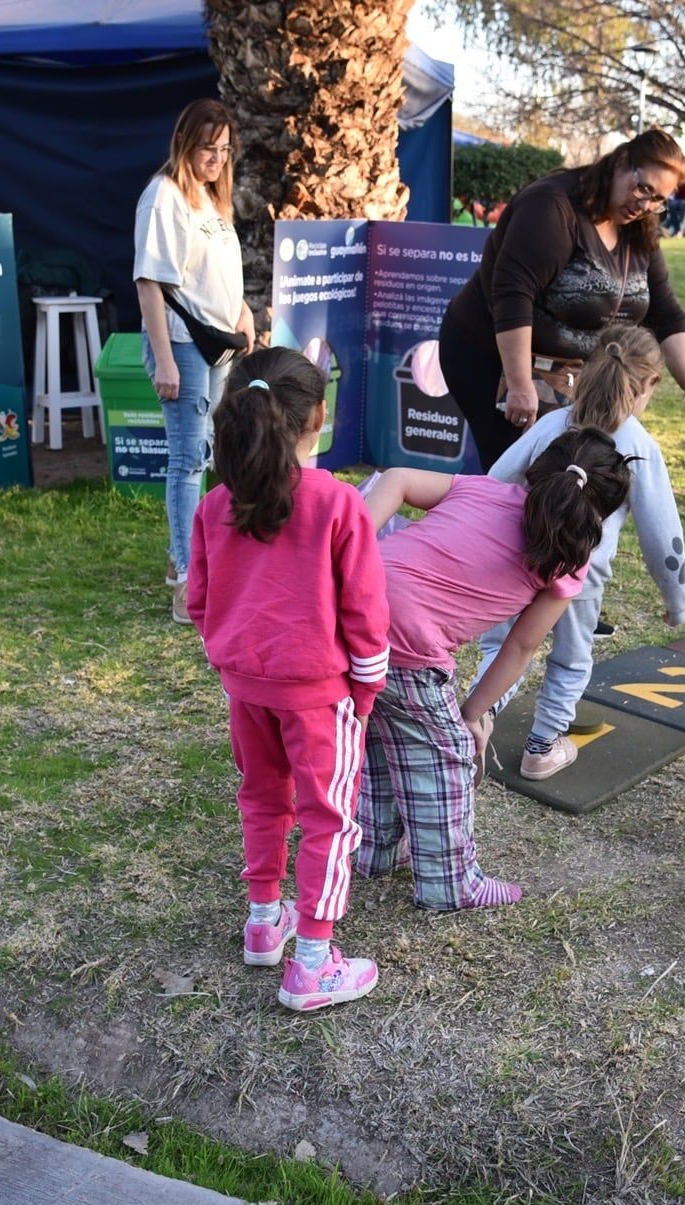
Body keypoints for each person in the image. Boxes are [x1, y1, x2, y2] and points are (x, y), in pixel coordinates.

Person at [185, 347, 391, 1012]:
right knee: (328, 818)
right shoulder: (337, 504)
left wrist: (231, 658)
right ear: (318, 418)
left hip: (245, 687)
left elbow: (199, 599)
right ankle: (311, 962)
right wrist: (364, 692)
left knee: (261, 797)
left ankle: (262, 918)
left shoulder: (214, 504)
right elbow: (366, 616)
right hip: (318, 696)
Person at [354, 428, 633, 909]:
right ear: (602, 515)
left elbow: (395, 478)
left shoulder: (481, 488)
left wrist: (349, 550)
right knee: (448, 757)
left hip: (348, 617)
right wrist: (471, 717)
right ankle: (450, 883)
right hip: (407, 646)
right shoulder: (567, 562)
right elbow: (522, 647)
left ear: (535, 468)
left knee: (380, 733)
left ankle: (376, 851)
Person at [475, 327, 685, 780]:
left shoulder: (554, 424)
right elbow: (663, 539)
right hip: (580, 576)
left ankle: (477, 719)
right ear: (650, 384)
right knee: (571, 659)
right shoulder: (641, 449)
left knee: (502, 647)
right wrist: (679, 603)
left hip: (520, 560)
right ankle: (542, 747)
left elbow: (493, 484)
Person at [437, 127, 685, 471]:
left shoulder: (639, 228)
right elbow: (513, 295)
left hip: (564, 374)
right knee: (517, 476)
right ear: (619, 163)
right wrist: (520, 385)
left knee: (567, 475)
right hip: (491, 356)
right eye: (643, 187)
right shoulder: (553, 208)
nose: (645, 205)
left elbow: (666, 314)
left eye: (659, 199)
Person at [135, 99, 257, 623]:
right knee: (188, 460)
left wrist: (245, 312)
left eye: (225, 148)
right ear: (187, 142)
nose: (218, 158)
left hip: (218, 342)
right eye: (210, 147)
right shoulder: (163, 197)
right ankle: (188, 581)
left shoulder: (211, 198)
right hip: (182, 345)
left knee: (208, 453)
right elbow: (150, 283)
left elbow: (216, 272)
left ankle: (183, 561)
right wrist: (164, 359)